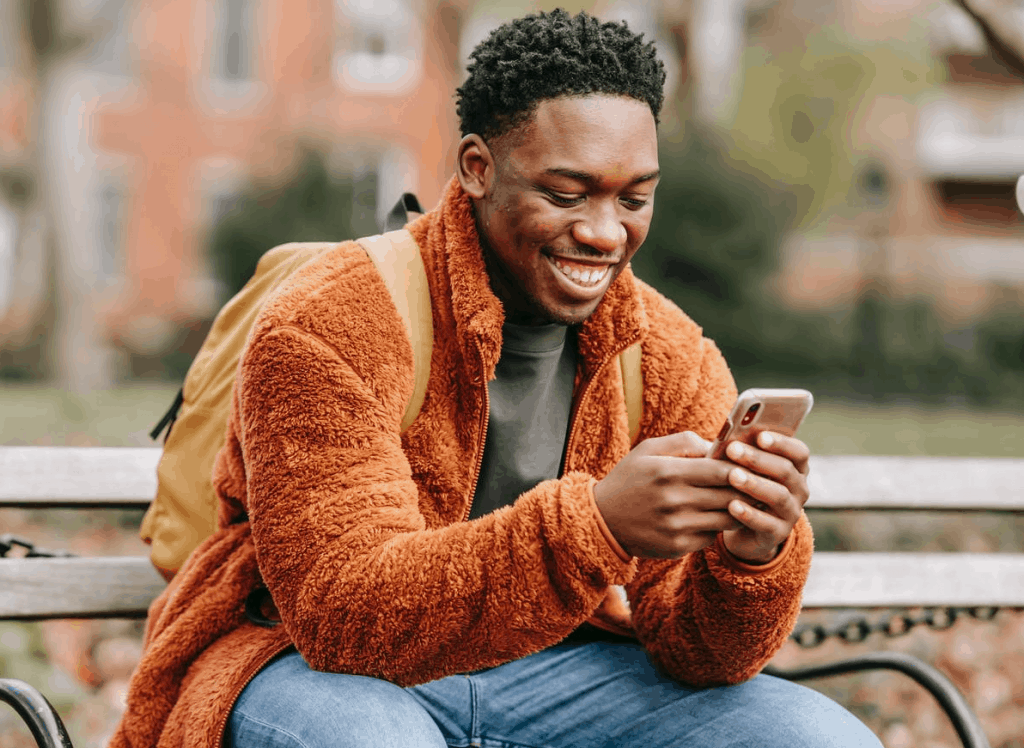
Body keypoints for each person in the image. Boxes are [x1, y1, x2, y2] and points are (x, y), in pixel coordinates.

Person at [109, 9, 882, 748]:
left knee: (818, 737)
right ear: (478, 168)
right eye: (565, 192)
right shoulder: (332, 318)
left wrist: (750, 556)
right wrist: (598, 526)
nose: (605, 232)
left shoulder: (668, 353)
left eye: (635, 197)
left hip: (557, 674)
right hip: (303, 664)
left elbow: (700, 657)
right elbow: (340, 614)